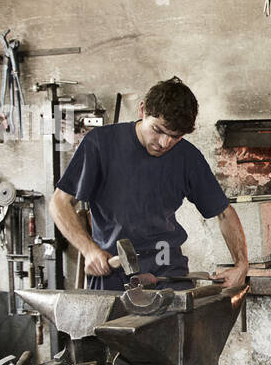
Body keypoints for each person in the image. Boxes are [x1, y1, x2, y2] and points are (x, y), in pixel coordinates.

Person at [49, 77, 250, 291]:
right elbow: (59, 203)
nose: (164, 143)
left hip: (168, 275)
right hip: (114, 274)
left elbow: (224, 212)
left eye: (175, 136)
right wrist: (88, 249)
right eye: (158, 130)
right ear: (142, 110)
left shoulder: (187, 157)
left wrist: (241, 264)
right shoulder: (100, 144)